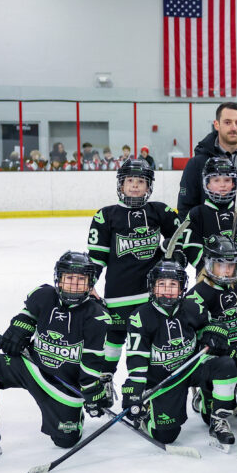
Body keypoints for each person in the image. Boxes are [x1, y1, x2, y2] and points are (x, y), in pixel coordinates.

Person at [0, 252, 112, 461]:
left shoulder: (97, 316)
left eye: (80, 279)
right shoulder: (43, 295)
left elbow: (92, 360)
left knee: (65, 440)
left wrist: (91, 389)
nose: (74, 285)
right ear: (59, 279)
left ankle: (75, 417)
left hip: (61, 386)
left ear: (90, 283)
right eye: (69, 278)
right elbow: (27, 315)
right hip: (31, 366)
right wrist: (17, 331)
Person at [122, 260, 237, 448]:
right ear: (152, 287)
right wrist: (135, 389)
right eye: (162, 284)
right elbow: (137, 357)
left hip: (191, 367)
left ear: (182, 287)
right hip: (164, 380)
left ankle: (218, 418)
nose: (167, 290)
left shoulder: (193, 307)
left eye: (173, 284)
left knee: (225, 365)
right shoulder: (140, 317)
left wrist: (216, 333)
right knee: (166, 436)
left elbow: (211, 326)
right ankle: (148, 413)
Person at [86, 159, 183, 374]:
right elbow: (97, 258)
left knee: (154, 337)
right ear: (121, 184)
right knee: (114, 337)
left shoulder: (160, 211)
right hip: (119, 293)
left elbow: (180, 238)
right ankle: (105, 378)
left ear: (149, 186)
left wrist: (172, 251)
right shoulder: (106, 216)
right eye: (130, 181)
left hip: (153, 294)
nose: (135, 185)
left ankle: (149, 381)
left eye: (141, 181)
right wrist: (89, 284)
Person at [187, 235, 237, 416]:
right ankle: (208, 393)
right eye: (221, 265)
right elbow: (193, 334)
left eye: (231, 265)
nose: (227, 270)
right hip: (218, 354)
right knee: (218, 409)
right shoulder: (197, 294)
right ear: (209, 264)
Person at [182, 156, 237, 283]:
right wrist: (213, 270)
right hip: (210, 284)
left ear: (233, 183)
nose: (222, 185)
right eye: (216, 180)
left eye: (227, 180)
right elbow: (191, 249)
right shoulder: (197, 214)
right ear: (207, 184)